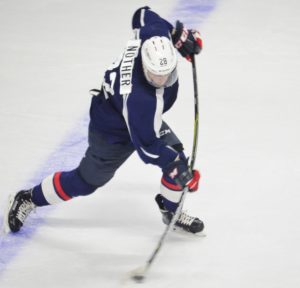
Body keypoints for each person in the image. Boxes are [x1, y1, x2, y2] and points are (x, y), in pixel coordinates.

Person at [5, 6, 204, 235]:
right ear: (144, 64)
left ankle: (171, 211)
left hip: (141, 121)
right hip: (112, 132)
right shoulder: (140, 100)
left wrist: (177, 36)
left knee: (176, 158)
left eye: (166, 73)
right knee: (85, 182)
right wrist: (175, 167)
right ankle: (28, 198)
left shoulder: (154, 38)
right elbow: (147, 149)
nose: (160, 79)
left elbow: (141, 14)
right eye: (153, 74)